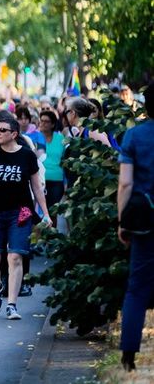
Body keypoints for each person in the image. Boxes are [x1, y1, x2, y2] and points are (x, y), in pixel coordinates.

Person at [0, 112, 51, 321]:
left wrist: (45, 214)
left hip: (21, 212)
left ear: (14, 134)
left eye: (2, 130)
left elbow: (36, 187)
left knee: (15, 257)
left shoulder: (27, 156)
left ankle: (11, 304)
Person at [116, 86, 154, 372]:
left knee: (137, 288)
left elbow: (126, 183)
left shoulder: (134, 136)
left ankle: (129, 354)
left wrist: (122, 221)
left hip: (144, 221)